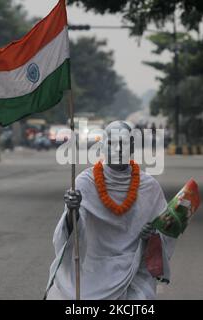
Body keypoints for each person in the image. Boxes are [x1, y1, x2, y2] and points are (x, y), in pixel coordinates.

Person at [45, 121, 176, 300]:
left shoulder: (149, 187)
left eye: (123, 144)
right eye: (111, 143)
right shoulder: (85, 182)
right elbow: (70, 234)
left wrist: (151, 235)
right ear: (102, 147)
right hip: (91, 267)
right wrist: (71, 211)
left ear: (131, 147)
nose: (117, 149)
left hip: (133, 269)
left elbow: (165, 230)